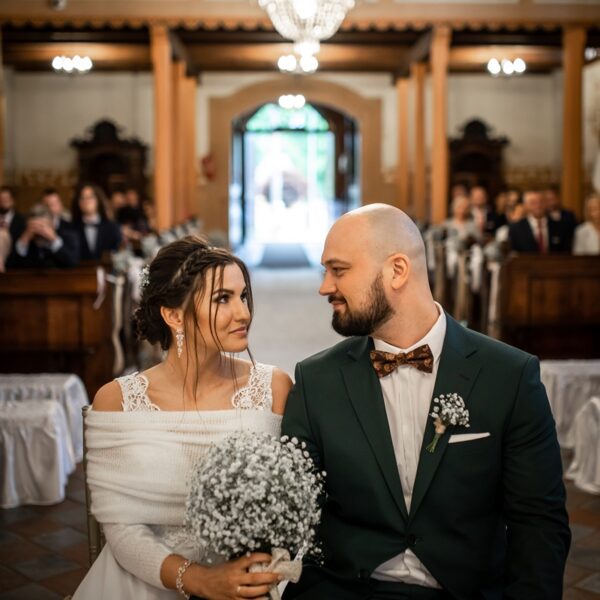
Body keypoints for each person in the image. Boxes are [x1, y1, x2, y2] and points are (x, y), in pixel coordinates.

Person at [282, 204, 570, 600]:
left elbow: (539, 523)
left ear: (397, 270)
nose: (325, 287)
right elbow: (293, 516)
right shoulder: (317, 380)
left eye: (339, 270)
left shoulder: (509, 376)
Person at [73, 236, 291, 600]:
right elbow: (121, 529)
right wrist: (200, 580)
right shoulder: (116, 400)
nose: (243, 313)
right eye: (223, 299)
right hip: (144, 579)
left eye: (243, 296)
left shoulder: (274, 387)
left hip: (248, 577)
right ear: (173, 315)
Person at [6, 203, 79, 268]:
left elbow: (72, 263)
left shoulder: (67, 235)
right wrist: (24, 241)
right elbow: (10, 265)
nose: (39, 231)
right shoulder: (21, 237)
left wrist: (53, 239)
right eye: (34, 226)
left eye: (42, 226)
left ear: (52, 225)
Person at [71, 183, 122, 261]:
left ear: (98, 200)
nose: (86, 201)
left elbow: (117, 253)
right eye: (82, 198)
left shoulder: (112, 227)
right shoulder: (72, 228)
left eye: (90, 197)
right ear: (78, 203)